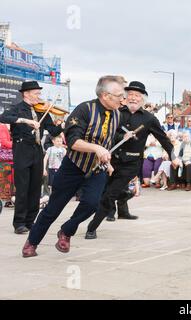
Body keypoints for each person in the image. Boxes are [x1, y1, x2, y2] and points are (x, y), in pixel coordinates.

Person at [21, 76, 124, 258]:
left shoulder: (117, 114)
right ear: (105, 95)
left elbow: (107, 142)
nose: (122, 99)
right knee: (53, 208)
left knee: (92, 204)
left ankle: (66, 231)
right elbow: (74, 141)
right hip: (73, 166)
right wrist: (97, 148)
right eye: (119, 95)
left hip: (97, 168)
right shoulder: (84, 109)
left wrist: (107, 162)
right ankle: (32, 242)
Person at [86, 81, 175, 239]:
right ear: (125, 97)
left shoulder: (149, 118)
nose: (134, 98)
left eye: (137, 95)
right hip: (111, 161)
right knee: (104, 191)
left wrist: (174, 156)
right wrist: (122, 136)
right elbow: (106, 134)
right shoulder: (116, 112)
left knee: (109, 195)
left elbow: (163, 139)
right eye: (131, 95)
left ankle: (92, 227)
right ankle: (125, 197)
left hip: (131, 164)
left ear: (142, 99)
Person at [0, 81, 63, 235]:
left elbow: (53, 130)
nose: (39, 96)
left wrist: (60, 124)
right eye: (36, 93)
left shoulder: (41, 110)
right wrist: (26, 121)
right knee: (22, 188)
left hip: (36, 150)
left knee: (35, 188)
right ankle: (19, 223)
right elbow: (3, 117)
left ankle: (31, 221)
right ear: (26, 93)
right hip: (21, 148)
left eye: (39, 93)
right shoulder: (17, 108)